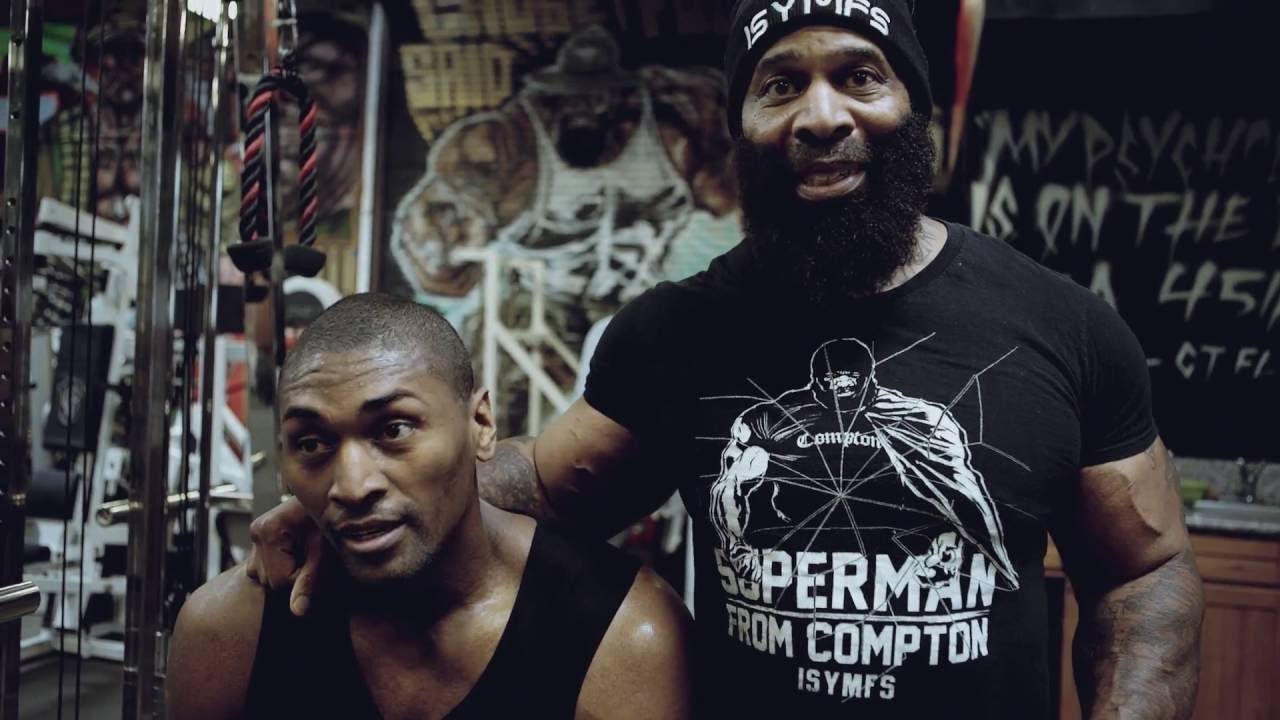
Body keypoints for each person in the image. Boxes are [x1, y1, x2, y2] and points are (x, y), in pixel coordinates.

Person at [250, 2, 1204, 717]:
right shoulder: (679, 333)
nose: (820, 116)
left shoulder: (1062, 325)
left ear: (913, 105)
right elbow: (542, 485)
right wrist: (362, 501)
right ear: (739, 123)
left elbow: (1144, 568)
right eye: (780, 85)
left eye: (860, 76)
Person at [169, 293, 691, 719]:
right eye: (312, 443)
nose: (352, 486)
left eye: (394, 430)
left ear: (480, 425)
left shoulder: (622, 637)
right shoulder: (227, 632)